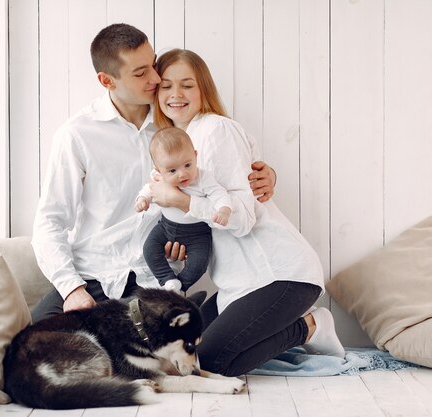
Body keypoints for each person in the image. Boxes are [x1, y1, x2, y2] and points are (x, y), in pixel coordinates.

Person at [30, 23, 276, 323]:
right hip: (93, 275)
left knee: (157, 354)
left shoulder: (177, 125)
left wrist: (266, 173)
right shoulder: (77, 135)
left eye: (153, 64)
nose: (156, 78)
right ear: (107, 81)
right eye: (140, 72)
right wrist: (71, 289)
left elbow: (229, 157)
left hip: (155, 278)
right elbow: (49, 223)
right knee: (38, 346)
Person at [150, 48, 345, 377]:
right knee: (178, 359)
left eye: (187, 85)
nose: (176, 94)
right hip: (237, 283)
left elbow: (242, 219)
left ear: (204, 90)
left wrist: (182, 202)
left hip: (280, 274)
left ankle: (311, 327)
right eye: (166, 86)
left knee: (210, 363)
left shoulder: (216, 131)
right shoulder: (174, 143)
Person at [136, 126, 231, 292]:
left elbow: (219, 193)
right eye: (172, 170)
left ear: (195, 156)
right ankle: (166, 279)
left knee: (199, 263)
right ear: (159, 170)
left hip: (197, 233)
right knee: (149, 249)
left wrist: (224, 209)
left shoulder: (203, 178)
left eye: (187, 165)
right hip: (165, 228)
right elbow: (149, 189)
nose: (182, 174)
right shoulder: (158, 177)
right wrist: (143, 199)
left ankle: (180, 286)